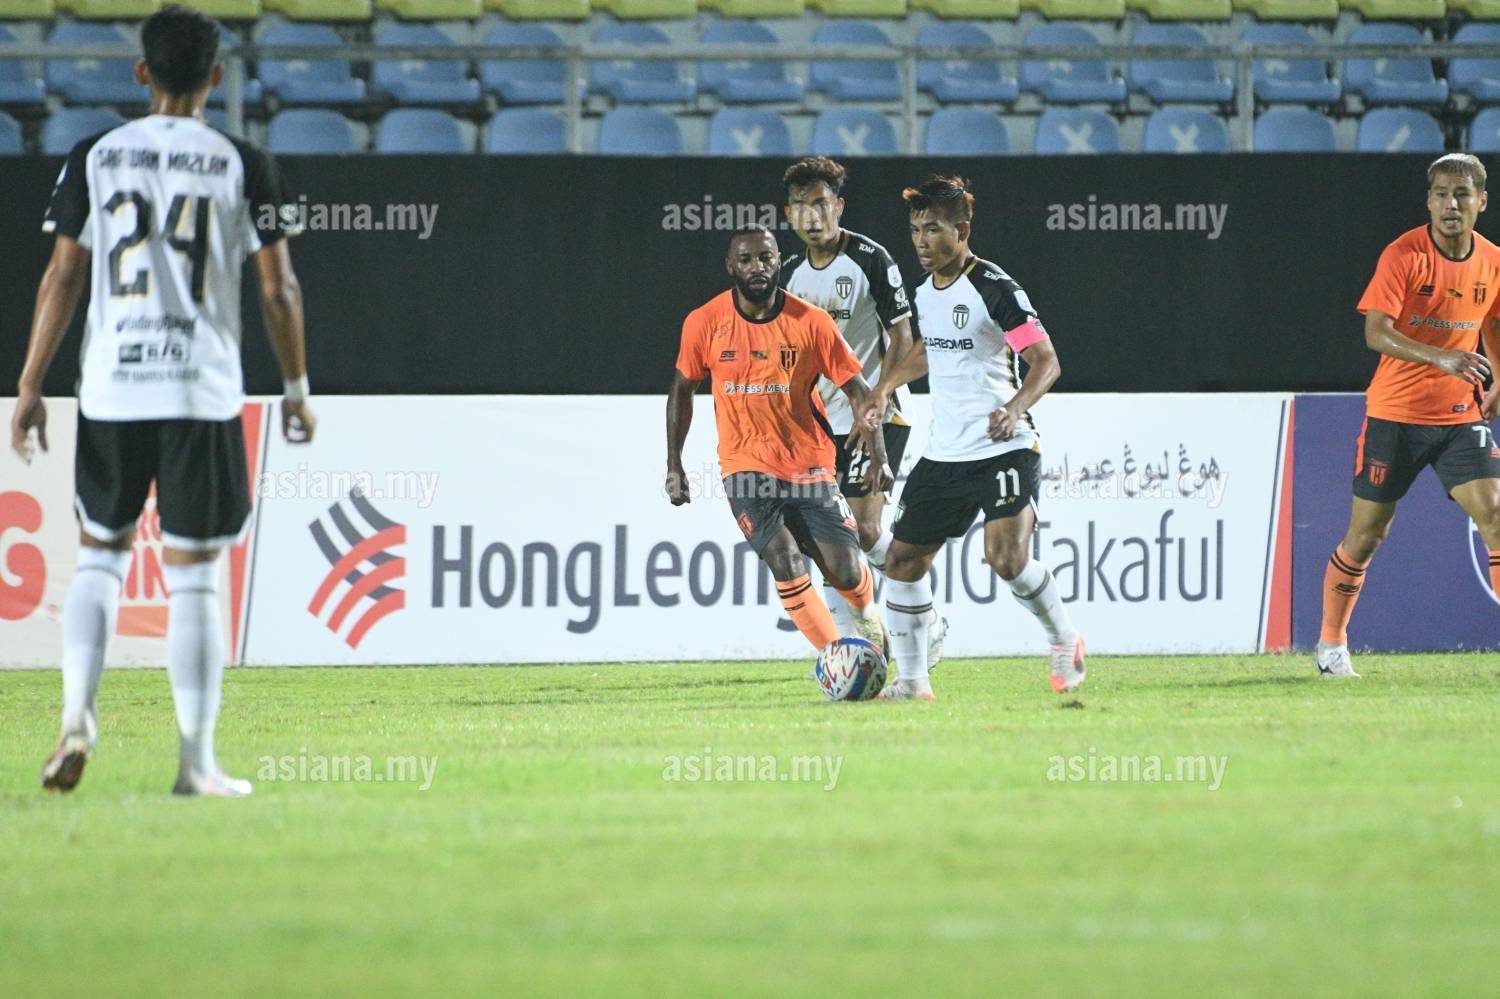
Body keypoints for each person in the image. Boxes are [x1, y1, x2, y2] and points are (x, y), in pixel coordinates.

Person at [11, 5, 314, 796]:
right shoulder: (243, 161)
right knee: (195, 576)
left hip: (113, 383)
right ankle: (195, 763)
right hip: (197, 388)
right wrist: (295, 388)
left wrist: (32, 381)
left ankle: (77, 717)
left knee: (98, 558)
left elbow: (62, 275)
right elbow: (278, 290)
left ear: (142, 72)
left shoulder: (95, 155)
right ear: (217, 75)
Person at [862, 177, 1085, 700]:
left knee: (1005, 558)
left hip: (1003, 447)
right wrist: (885, 387)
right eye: (915, 230)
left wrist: (1014, 409)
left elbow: (1046, 361)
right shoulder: (925, 290)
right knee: (902, 563)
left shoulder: (995, 289)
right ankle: (913, 682)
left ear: (962, 231)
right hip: (945, 453)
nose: (921, 241)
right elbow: (929, 347)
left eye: (932, 229)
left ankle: (1063, 638)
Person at [666, 226, 892, 660]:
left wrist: (878, 454)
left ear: (778, 261)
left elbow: (859, 391)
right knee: (785, 559)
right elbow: (682, 389)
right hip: (744, 466)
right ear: (730, 266)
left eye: (766, 258)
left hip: (809, 463)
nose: (757, 267)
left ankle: (868, 619)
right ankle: (839, 661)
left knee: (845, 571)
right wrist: (674, 464)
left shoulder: (811, 321)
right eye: (746, 260)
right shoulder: (705, 322)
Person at [1317, 153, 1500, 678]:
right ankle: (1331, 644)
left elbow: (1493, 322)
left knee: (1495, 515)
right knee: (1367, 536)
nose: (1450, 205)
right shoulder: (1404, 255)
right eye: (1441, 194)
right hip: (1394, 415)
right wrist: (1440, 357)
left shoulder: (1493, 260)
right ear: (1429, 201)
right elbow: (1375, 331)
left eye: (1461, 194)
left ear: (1481, 201)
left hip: (1459, 416)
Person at [779, 155, 948, 666]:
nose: (811, 216)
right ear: (788, 214)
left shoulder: (870, 259)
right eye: (800, 206)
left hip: (877, 413)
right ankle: (857, 646)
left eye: (820, 204)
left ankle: (925, 618)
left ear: (839, 206)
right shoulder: (788, 275)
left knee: (864, 529)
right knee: (826, 540)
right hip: (819, 425)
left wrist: (875, 399)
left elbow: (903, 335)